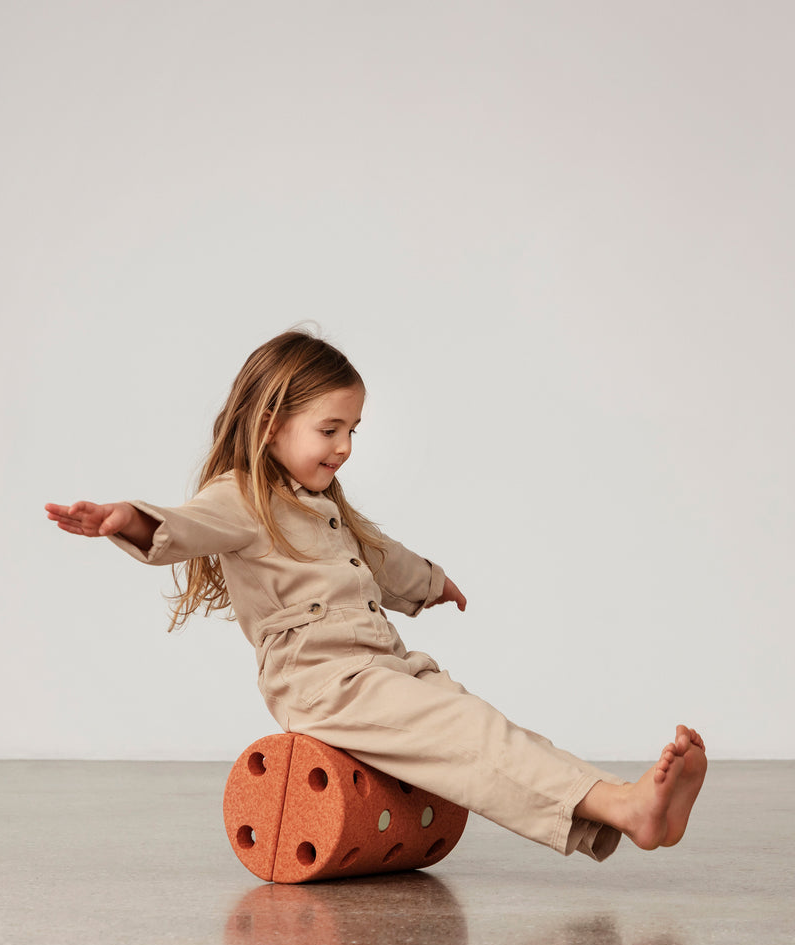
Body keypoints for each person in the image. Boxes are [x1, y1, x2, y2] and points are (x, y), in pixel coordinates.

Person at [45, 328, 706, 862]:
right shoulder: (242, 497)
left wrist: (430, 583)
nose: (345, 447)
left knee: (487, 728)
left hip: (380, 664)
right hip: (322, 681)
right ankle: (627, 809)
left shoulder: (323, 505)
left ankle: (617, 804)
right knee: (466, 732)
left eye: (353, 430)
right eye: (330, 429)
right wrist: (126, 519)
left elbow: (379, 555)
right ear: (271, 422)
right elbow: (184, 526)